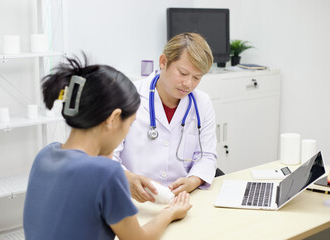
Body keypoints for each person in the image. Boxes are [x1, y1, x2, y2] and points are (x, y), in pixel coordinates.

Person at [23, 55, 192, 240]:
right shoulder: (106, 173)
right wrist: (171, 212)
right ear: (113, 119)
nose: (127, 132)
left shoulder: (45, 154)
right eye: (130, 124)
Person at [113, 33, 217, 203]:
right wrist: (127, 178)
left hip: (183, 200)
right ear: (163, 62)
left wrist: (193, 181)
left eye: (197, 78)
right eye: (183, 73)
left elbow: (207, 156)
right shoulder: (126, 96)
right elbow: (108, 155)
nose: (188, 84)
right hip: (134, 200)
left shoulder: (202, 103)